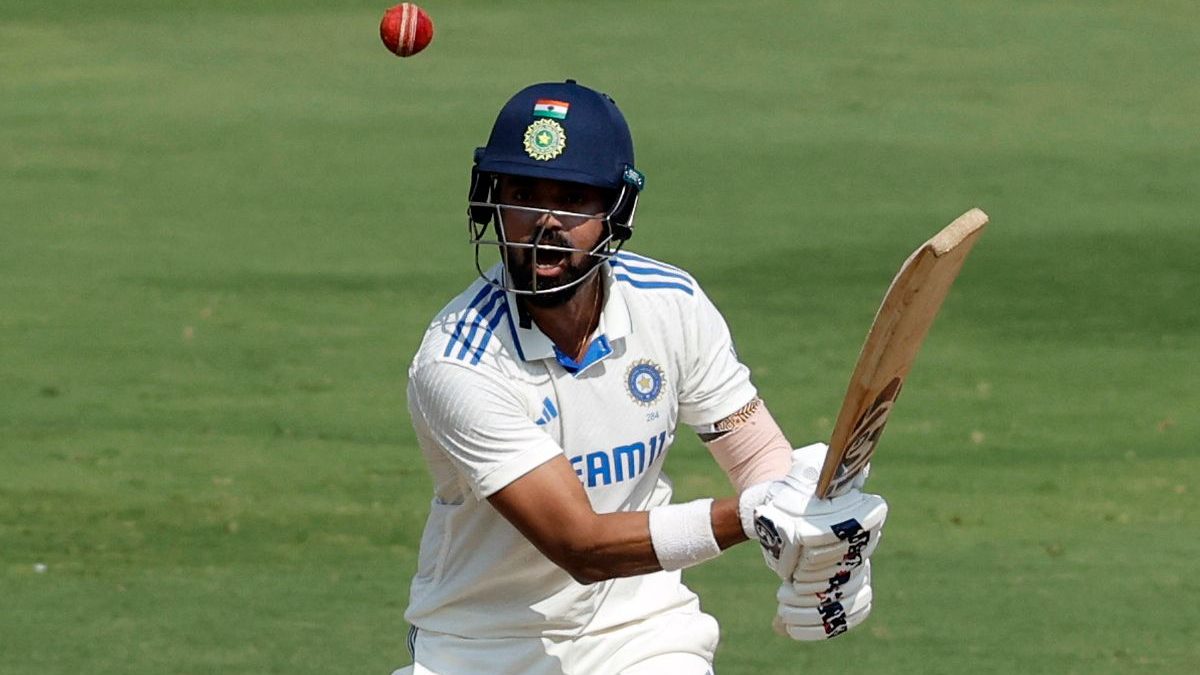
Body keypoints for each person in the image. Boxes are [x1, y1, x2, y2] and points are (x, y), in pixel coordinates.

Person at [395, 80, 888, 675]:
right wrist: (756, 517)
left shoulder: (670, 303)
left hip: (641, 633)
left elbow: (759, 458)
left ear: (615, 211)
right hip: (480, 648)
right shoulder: (459, 362)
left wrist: (816, 543)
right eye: (522, 192)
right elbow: (581, 545)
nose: (544, 222)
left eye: (574, 198)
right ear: (488, 198)